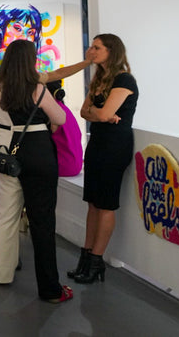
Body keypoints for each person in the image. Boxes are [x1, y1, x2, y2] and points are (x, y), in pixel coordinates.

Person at [0, 39, 74, 304]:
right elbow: (59, 118)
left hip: (4, 149)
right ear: (29, 60)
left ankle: (1, 273)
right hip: (36, 150)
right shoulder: (35, 87)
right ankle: (50, 288)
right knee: (42, 221)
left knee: (4, 214)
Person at [68, 34, 137, 284]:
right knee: (93, 204)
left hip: (114, 147)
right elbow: (84, 111)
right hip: (98, 144)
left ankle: (96, 261)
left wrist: (99, 114)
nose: (91, 51)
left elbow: (102, 112)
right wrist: (100, 115)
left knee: (105, 204)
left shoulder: (124, 79)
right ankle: (86, 258)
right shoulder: (99, 79)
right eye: (92, 46)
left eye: (96, 47)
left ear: (111, 51)